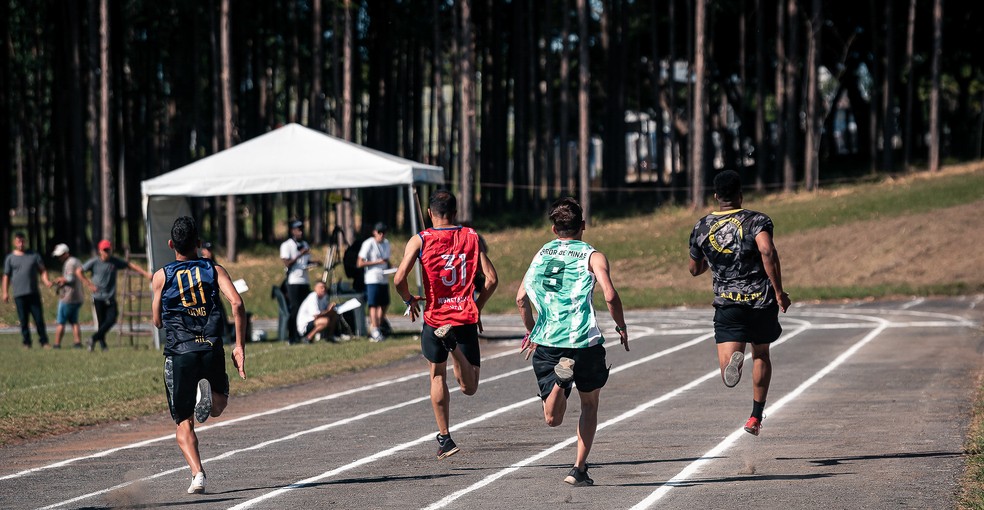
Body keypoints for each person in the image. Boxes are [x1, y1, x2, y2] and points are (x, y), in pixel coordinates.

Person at [516, 197, 629, 486]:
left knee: (552, 419)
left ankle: (560, 382)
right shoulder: (594, 256)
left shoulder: (542, 253)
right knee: (590, 404)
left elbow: (520, 298)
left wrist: (532, 331)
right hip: (585, 341)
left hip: (550, 340)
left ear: (554, 229)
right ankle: (578, 468)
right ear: (583, 226)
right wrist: (621, 326)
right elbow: (610, 295)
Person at [394, 190, 498, 460]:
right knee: (470, 387)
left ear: (430, 213)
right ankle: (454, 347)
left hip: (434, 317)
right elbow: (491, 278)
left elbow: (398, 279)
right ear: (455, 212)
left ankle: (445, 437)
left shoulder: (420, 239)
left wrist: (408, 300)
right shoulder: (472, 237)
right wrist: (478, 306)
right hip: (463, 316)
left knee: (437, 375)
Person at [688, 169, 791, 437]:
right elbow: (767, 250)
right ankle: (755, 416)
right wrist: (779, 291)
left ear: (716, 196)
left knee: (727, 371)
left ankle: (734, 361)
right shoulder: (757, 220)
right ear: (740, 194)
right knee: (762, 353)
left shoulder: (702, 226)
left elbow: (694, 268)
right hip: (760, 300)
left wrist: (712, 261)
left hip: (727, 303)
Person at [152, 216, 247, 495]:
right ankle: (205, 394)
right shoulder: (213, 268)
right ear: (198, 243)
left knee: (183, 421)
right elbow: (237, 303)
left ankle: (198, 474)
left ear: (171, 244)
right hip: (210, 346)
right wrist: (239, 345)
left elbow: (157, 321)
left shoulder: (162, 275)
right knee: (218, 406)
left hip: (179, 352)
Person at [78, 239, 153, 351]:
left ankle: (93, 338)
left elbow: (129, 265)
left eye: (109, 249)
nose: (107, 252)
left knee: (111, 320)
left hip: (110, 297)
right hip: (98, 297)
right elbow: (79, 271)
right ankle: (102, 346)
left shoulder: (114, 261)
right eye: (105, 250)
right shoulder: (94, 262)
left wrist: (145, 274)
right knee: (101, 322)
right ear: (100, 251)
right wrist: (89, 284)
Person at [2, 232, 52, 348]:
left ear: (26, 241)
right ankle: (27, 342)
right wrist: (5, 292)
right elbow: (6, 276)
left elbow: (42, 270)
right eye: (18, 241)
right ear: (14, 242)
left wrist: (46, 281)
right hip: (19, 294)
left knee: (39, 319)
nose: (21, 243)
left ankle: (44, 341)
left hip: (33, 293)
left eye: (23, 241)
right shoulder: (10, 258)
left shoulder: (33, 255)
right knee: (23, 320)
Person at [280, 220, 318, 344]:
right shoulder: (287, 245)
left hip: (305, 281)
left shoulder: (305, 244)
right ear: (292, 231)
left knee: (304, 309)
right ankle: (292, 336)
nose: (300, 232)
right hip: (293, 281)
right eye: (298, 229)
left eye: (302, 229)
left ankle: (303, 334)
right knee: (295, 308)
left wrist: (314, 263)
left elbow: (306, 262)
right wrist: (300, 254)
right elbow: (287, 263)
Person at [358, 222, 391, 342]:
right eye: (379, 232)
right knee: (373, 304)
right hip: (372, 278)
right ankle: (375, 328)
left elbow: (387, 261)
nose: (381, 235)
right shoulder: (368, 244)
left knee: (385, 303)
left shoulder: (387, 243)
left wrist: (392, 268)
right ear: (374, 232)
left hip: (384, 277)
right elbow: (360, 263)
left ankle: (376, 326)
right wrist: (377, 262)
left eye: (384, 233)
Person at [50, 243, 84, 349]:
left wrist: (59, 280)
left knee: (61, 321)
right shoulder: (76, 261)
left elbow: (70, 279)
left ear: (66, 253)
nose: (59, 257)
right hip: (78, 296)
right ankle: (77, 343)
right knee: (74, 321)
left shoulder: (69, 263)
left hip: (68, 297)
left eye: (61, 255)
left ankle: (56, 344)